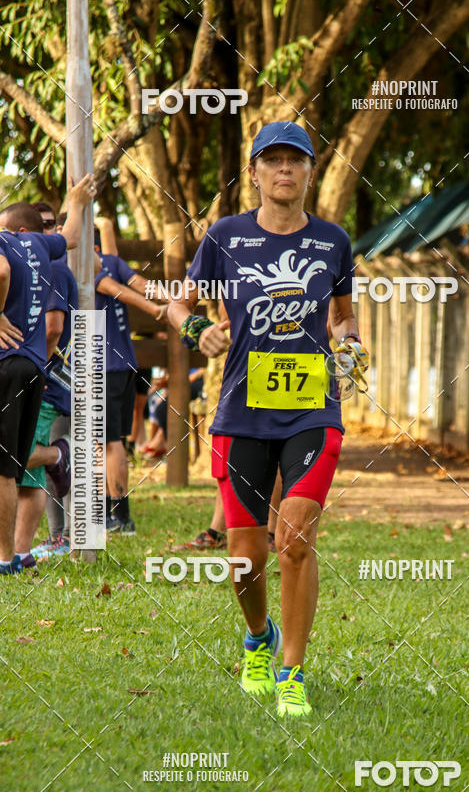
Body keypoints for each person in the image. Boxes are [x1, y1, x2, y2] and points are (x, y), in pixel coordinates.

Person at [167, 121, 367, 716]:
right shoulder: (225, 235)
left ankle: (292, 673)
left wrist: (351, 348)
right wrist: (199, 330)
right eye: (272, 161)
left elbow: (343, 316)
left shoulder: (333, 240)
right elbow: (178, 302)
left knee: (297, 538)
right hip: (241, 411)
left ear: (310, 172)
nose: (284, 171)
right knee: (246, 559)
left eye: (295, 161)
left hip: (312, 408)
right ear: (253, 173)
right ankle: (258, 636)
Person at [0, 175, 95, 574]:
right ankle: (14, 554)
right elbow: (71, 236)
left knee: (5, 467)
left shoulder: (3, 243)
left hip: (6, 361)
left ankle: (4, 559)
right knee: (15, 461)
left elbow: (2, 272)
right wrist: (77, 200)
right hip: (36, 366)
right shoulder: (42, 244)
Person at [94, 232, 168, 534]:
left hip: (103, 366)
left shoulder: (89, 265)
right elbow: (142, 285)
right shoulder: (114, 261)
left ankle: (119, 517)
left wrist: (161, 309)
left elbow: (122, 291)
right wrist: (175, 301)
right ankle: (115, 514)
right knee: (114, 442)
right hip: (125, 364)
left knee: (107, 443)